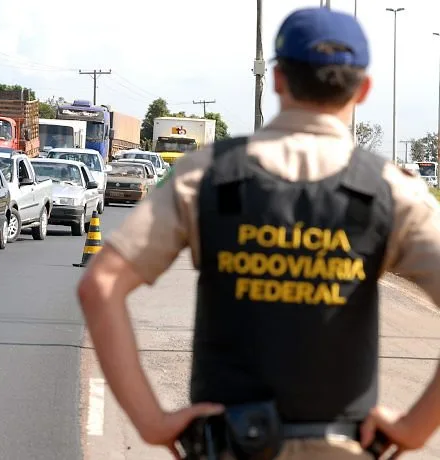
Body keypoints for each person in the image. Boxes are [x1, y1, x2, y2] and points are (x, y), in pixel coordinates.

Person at [77, 7, 440, 460]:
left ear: (278, 80)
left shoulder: (208, 174)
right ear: (363, 89)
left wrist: (151, 421)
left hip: (228, 444)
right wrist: (414, 427)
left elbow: (100, 285)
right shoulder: (391, 191)